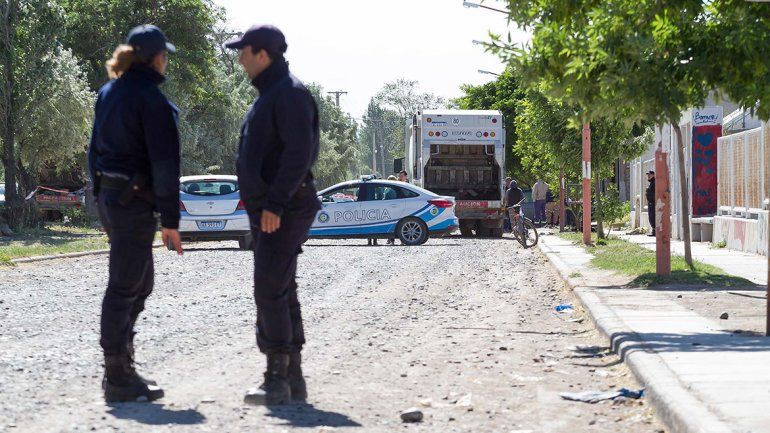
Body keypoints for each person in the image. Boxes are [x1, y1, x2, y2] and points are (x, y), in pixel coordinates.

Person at [226, 25, 321, 406]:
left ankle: (277, 380)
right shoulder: (272, 94)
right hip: (273, 209)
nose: (240, 59)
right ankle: (292, 379)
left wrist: (275, 204)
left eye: (244, 51)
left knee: (269, 289)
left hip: (282, 209)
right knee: (281, 288)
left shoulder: (289, 94)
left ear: (262, 54)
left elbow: (300, 154)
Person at [88, 25, 182, 403]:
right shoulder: (151, 100)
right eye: (164, 55)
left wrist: (101, 203)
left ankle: (122, 366)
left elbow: (93, 153)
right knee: (125, 286)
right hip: (133, 202)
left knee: (140, 284)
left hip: (113, 200)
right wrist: (171, 221)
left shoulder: (108, 92)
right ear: (155, 58)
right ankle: (117, 376)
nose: (165, 62)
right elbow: (165, 165)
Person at [646, 170, 656, 236]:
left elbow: (655, 193)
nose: (648, 176)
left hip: (653, 203)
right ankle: (653, 231)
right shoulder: (651, 182)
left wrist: (648, 190)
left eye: (650, 175)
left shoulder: (654, 182)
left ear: (653, 175)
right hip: (651, 203)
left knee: (652, 217)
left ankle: (655, 232)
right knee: (651, 217)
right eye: (648, 175)